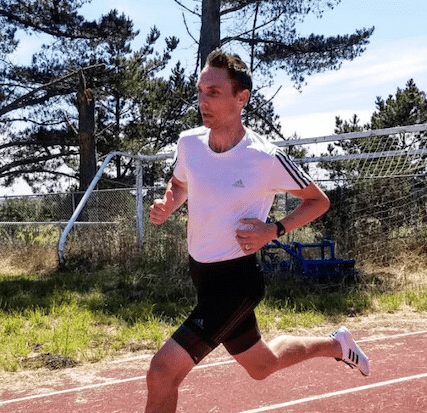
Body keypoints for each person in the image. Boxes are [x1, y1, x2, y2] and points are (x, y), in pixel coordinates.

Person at [146, 48, 369, 412]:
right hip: (202, 276)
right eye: (200, 91)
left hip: (237, 282)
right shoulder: (189, 143)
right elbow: (180, 182)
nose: (203, 101)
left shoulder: (264, 157)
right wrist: (168, 203)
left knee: (162, 371)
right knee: (262, 365)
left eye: (213, 92)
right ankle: (337, 345)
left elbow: (318, 201)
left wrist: (274, 229)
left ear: (242, 98)